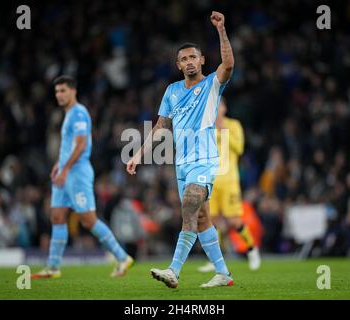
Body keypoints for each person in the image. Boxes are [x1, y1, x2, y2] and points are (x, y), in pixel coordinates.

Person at [126, 11, 234, 288]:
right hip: (181, 163)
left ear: (202, 60)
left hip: (205, 159)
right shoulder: (172, 90)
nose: (189, 62)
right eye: (184, 59)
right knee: (200, 218)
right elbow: (161, 125)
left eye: (193, 57)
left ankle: (174, 270)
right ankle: (223, 274)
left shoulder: (212, 84)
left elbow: (229, 64)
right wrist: (139, 154)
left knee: (188, 207)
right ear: (178, 65)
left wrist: (221, 31)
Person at [31, 76, 134, 279]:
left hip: (76, 173)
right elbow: (69, 145)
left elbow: (80, 145)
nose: (59, 95)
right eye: (57, 92)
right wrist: (58, 166)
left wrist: (66, 169)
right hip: (65, 171)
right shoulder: (69, 114)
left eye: (63, 91)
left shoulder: (78, 113)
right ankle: (53, 267)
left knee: (88, 220)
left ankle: (123, 258)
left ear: (73, 91)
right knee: (57, 216)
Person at [198, 98, 261, 273]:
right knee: (214, 222)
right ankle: (215, 260)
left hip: (229, 181)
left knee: (234, 221)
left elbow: (239, 148)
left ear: (224, 107)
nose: (217, 110)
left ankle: (252, 249)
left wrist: (223, 131)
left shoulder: (233, 125)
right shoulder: (206, 127)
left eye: (219, 106)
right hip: (212, 181)